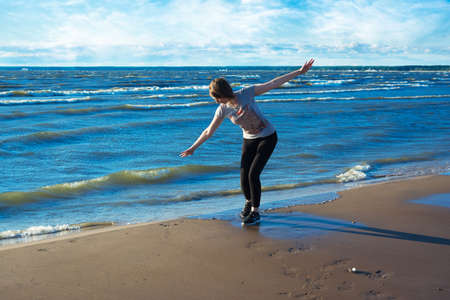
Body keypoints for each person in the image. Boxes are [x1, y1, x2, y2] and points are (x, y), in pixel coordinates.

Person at [180, 59, 315, 225]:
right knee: (244, 176)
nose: (216, 101)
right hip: (249, 140)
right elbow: (208, 131)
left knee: (253, 174)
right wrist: (193, 147)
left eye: (217, 97)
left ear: (223, 93)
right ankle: (248, 203)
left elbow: (272, 83)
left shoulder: (247, 93)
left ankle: (256, 212)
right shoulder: (222, 109)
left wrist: (299, 72)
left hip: (268, 137)